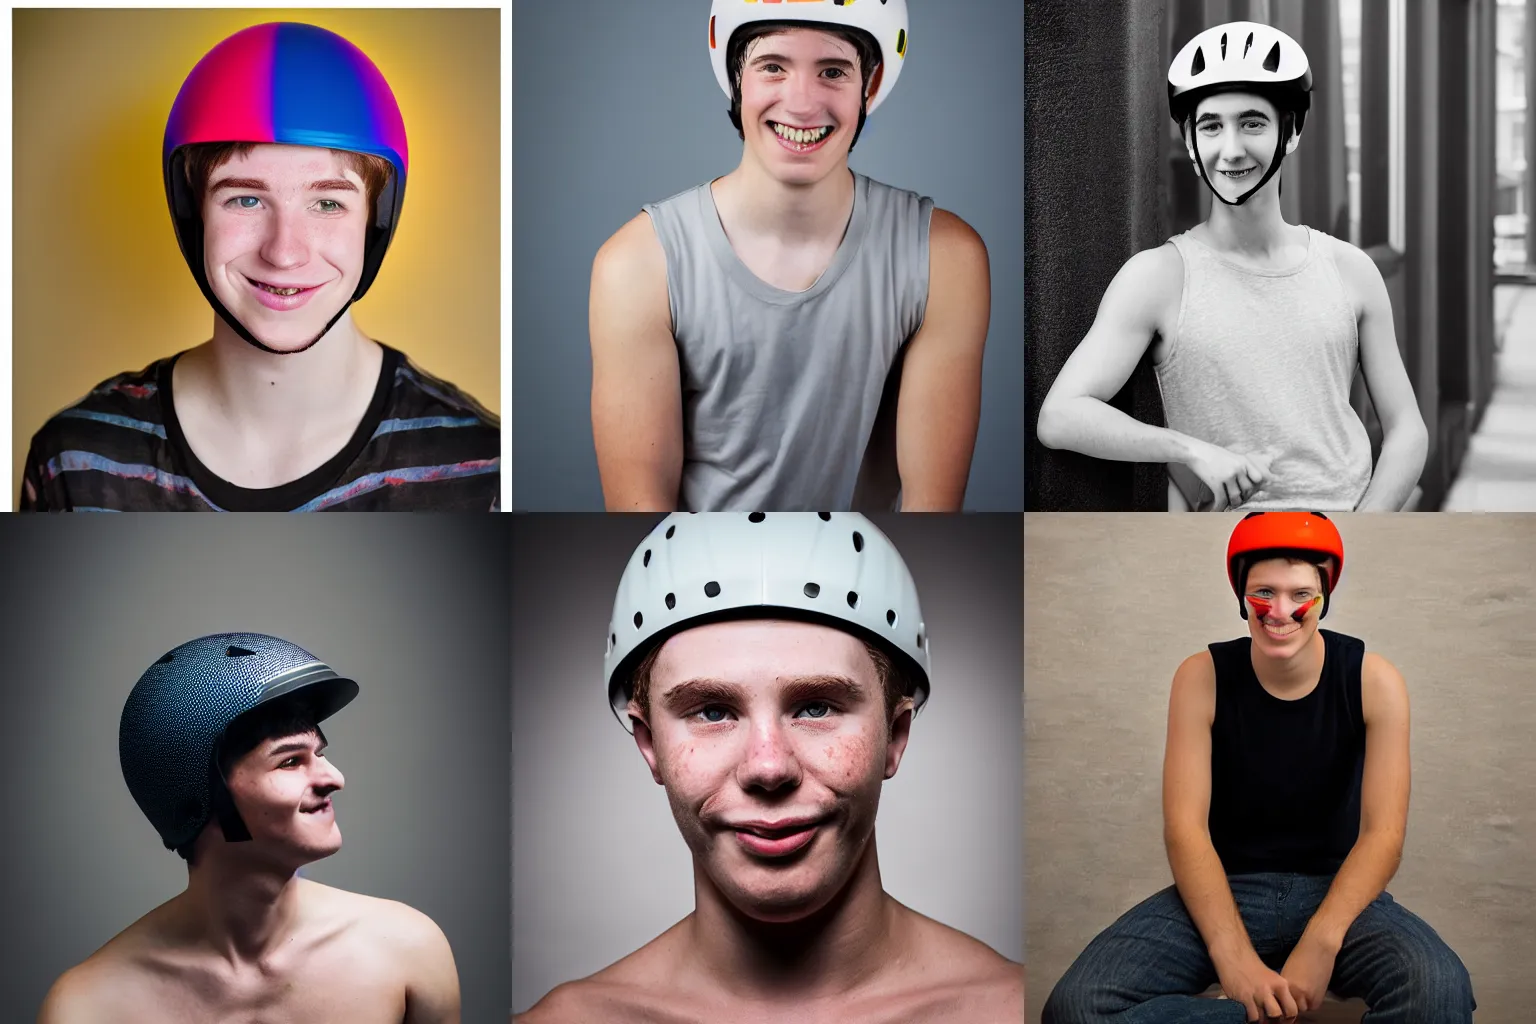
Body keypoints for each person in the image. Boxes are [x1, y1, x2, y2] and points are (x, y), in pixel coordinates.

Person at [517, 514, 1022, 1023]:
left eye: (817, 707)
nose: (768, 766)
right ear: (649, 745)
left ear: (895, 736)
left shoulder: (1013, 1009)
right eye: (713, 712)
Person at [20, 22, 499, 512]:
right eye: (245, 199)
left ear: (375, 224)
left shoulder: (482, 469)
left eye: (329, 204)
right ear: (194, 215)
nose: (284, 252)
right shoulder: (76, 460)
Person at [1043, 513, 1474, 1024]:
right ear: (1241, 595)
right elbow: (1185, 829)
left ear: (1325, 596)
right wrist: (1235, 960)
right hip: (1224, 889)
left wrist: (1322, 940)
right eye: (1263, 592)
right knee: (1075, 1008)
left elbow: (1384, 834)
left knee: (1440, 988)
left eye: (1301, 594)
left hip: (1338, 890)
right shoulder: (1200, 676)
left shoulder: (1373, 679)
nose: (1281, 610)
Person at [589, 1, 990, 513]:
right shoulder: (636, 266)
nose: (802, 104)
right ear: (737, 80)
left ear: (869, 85)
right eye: (773, 66)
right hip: (701, 586)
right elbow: (642, 528)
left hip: (871, 586)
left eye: (832, 71)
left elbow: (931, 518)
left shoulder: (945, 259)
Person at [1035, 21, 1427, 512]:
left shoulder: (1351, 269)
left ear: (1291, 132)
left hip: (1344, 533)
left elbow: (1408, 430)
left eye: (1253, 123)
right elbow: (1060, 417)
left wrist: (1359, 535)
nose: (1232, 148)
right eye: (1211, 126)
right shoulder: (1158, 276)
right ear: (1193, 148)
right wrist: (1190, 450)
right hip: (1224, 549)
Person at [37, 633, 460, 1023]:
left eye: (320, 753)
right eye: (291, 761)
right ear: (196, 799)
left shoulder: (406, 949)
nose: (334, 778)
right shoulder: (87, 1006)